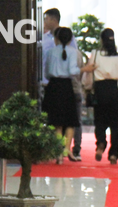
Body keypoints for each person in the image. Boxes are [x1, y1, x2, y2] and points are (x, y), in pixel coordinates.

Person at [86, 28, 118, 164]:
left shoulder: (95, 54)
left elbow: (89, 75)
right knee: (116, 123)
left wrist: (87, 88)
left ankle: (100, 143)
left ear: (101, 40)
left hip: (100, 91)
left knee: (99, 121)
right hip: (115, 91)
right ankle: (113, 153)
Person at [42, 27, 82, 163]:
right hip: (67, 87)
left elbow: (46, 73)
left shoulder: (51, 52)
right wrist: (82, 69)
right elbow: (72, 70)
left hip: (53, 87)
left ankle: (58, 152)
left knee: (56, 122)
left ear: (56, 38)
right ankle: (66, 148)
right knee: (70, 121)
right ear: (71, 39)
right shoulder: (73, 52)